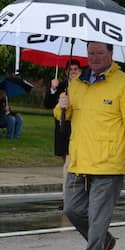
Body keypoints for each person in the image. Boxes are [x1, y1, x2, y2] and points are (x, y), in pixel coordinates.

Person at [55, 41, 125, 250]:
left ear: (110, 54)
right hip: (79, 159)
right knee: (72, 209)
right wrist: (61, 106)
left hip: (109, 161)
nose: (94, 58)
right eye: (90, 53)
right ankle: (104, 241)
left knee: (97, 217)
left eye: (99, 53)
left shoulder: (124, 83)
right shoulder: (76, 83)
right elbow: (65, 116)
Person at [44, 59, 82, 201]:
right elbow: (48, 104)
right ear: (66, 72)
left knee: (68, 164)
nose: (73, 72)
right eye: (70, 69)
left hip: (76, 130)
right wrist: (53, 89)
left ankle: (68, 197)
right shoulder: (61, 86)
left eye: (76, 69)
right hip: (61, 129)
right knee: (65, 163)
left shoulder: (84, 87)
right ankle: (70, 193)